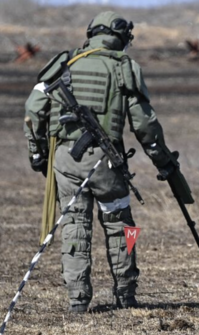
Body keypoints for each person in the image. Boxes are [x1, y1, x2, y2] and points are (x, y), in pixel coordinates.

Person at [23, 11, 177, 313]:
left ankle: (78, 299)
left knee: (74, 226)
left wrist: (38, 154)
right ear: (121, 36)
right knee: (123, 227)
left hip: (66, 161)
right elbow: (145, 125)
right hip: (107, 163)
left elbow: (33, 110)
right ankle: (126, 294)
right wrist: (162, 161)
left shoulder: (64, 63)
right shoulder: (124, 67)